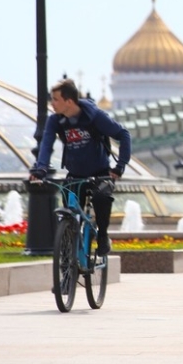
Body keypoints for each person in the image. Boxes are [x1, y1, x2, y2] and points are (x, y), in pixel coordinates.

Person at [29, 79, 131, 256]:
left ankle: (102, 236)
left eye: (55, 99)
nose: (52, 103)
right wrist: (41, 168)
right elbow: (46, 144)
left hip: (100, 173)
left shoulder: (95, 116)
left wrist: (119, 166)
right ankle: (70, 247)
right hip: (75, 174)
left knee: (101, 198)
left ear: (69, 101)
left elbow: (123, 134)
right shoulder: (55, 120)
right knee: (69, 209)